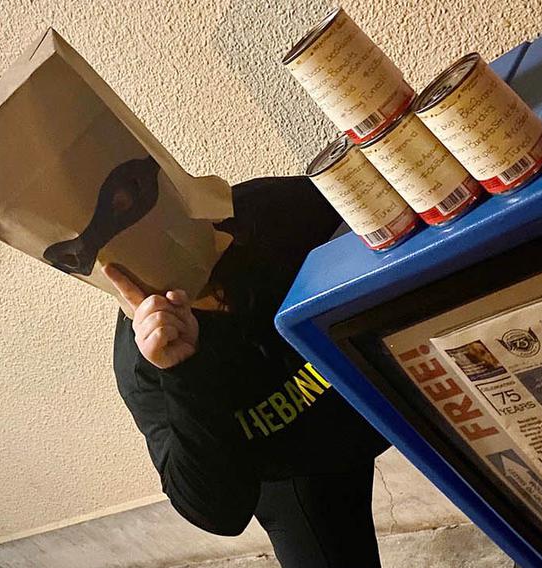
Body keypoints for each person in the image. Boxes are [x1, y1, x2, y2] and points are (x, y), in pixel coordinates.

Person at [105, 176, 391, 568]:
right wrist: (183, 374)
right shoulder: (146, 363)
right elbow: (217, 512)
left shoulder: (273, 211)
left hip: (392, 381)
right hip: (299, 465)